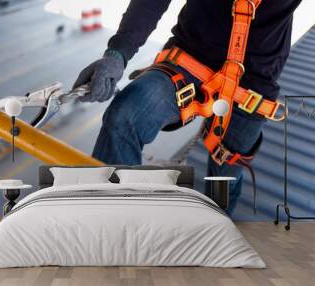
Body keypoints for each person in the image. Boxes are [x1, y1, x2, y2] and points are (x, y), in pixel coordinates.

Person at [73, 0, 301, 215]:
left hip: (252, 84)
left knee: (224, 180)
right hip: (190, 58)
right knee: (125, 115)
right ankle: (112, 220)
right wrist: (118, 53)